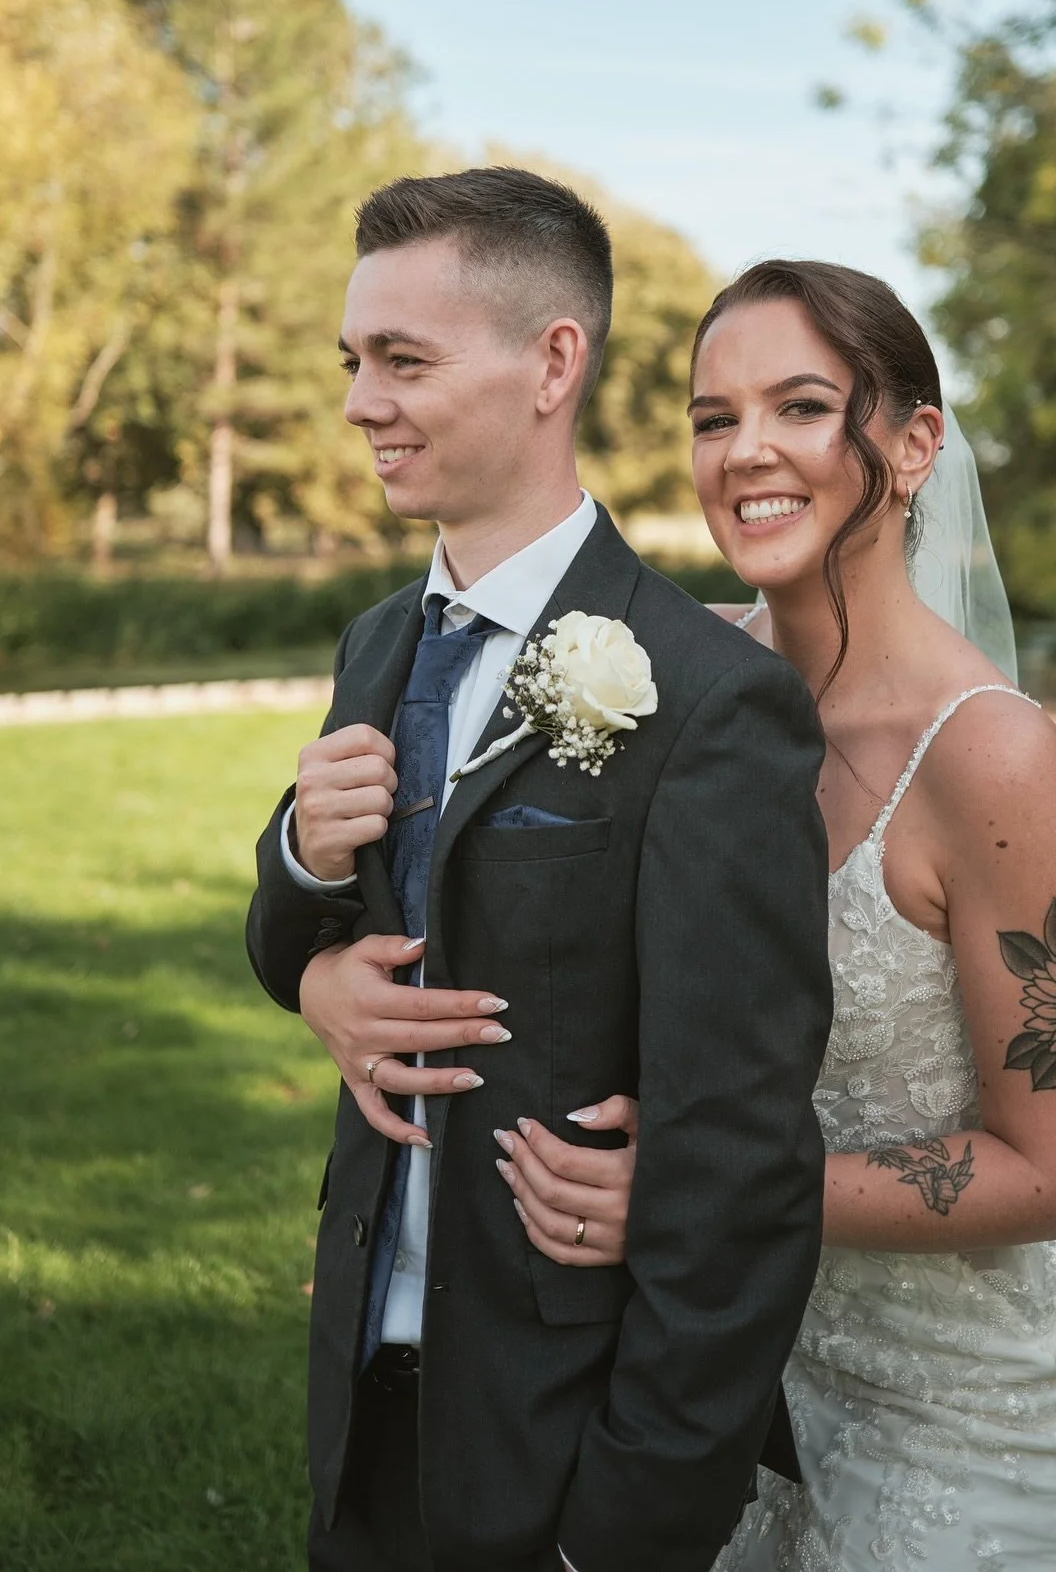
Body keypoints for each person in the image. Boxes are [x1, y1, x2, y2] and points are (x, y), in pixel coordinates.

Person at [500, 260, 1056, 1570]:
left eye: (801, 406)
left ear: (916, 444)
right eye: (710, 416)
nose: (744, 453)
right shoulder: (665, 687)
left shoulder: (993, 763)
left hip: (977, 1388)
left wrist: (698, 1195)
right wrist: (330, 950)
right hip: (735, 1349)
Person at [244, 173, 835, 1572]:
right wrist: (303, 900)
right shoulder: (380, 643)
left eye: (404, 361)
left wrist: (624, 1534)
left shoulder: (706, 698)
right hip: (365, 1407)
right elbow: (306, 930)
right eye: (353, 362)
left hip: (559, 1422)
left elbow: (739, 1173)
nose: (357, 403)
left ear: (551, 362)